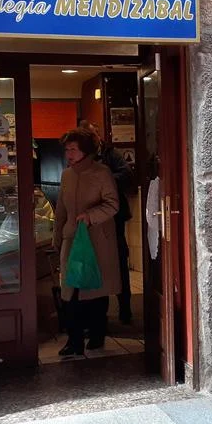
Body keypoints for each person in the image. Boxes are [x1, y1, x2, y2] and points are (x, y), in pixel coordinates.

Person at [53, 127, 122, 355]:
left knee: (95, 290)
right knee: (70, 290)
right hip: (72, 238)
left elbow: (113, 204)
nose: (69, 154)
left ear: (85, 151)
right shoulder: (66, 175)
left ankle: (97, 333)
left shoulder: (101, 173)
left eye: (73, 149)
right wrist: (57, 236)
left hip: (97, 239)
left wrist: (90, 216)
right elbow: (61, 209)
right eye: (66, 150)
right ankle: (74, 341)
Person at [79, 120, 134, 324]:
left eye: (92, 135)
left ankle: (125, 309)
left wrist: (104, 179)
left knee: (119, 261)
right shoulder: (82, 157)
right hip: (90, 218)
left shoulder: (111, 154)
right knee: (95, 263)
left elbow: (127, 174)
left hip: (114, 217)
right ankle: (97, 315)